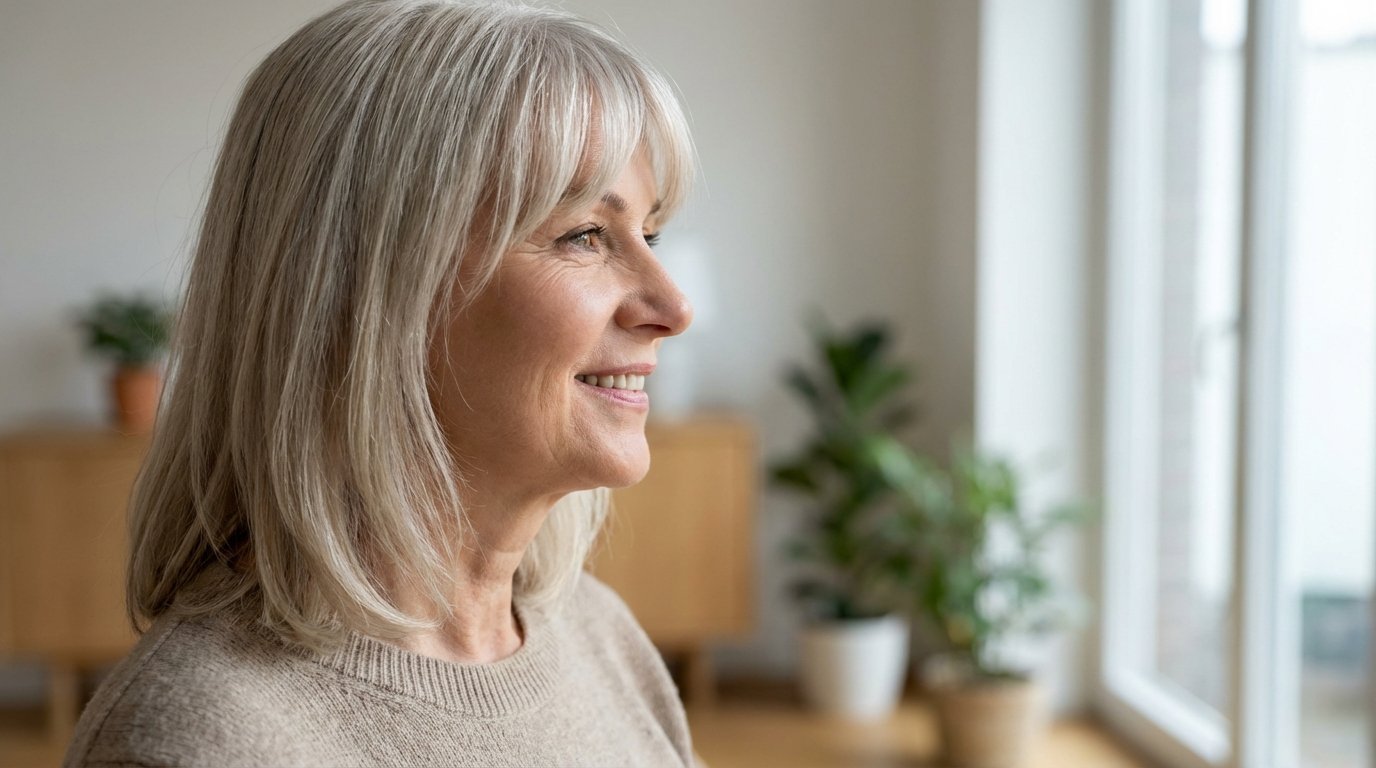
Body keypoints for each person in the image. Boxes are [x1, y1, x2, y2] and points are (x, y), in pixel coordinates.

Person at [64, 1, 698, 765]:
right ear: (367, 290)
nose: (673, 307)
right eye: (584, 235)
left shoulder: (600, 634)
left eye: (651, 232)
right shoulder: (205, 740)